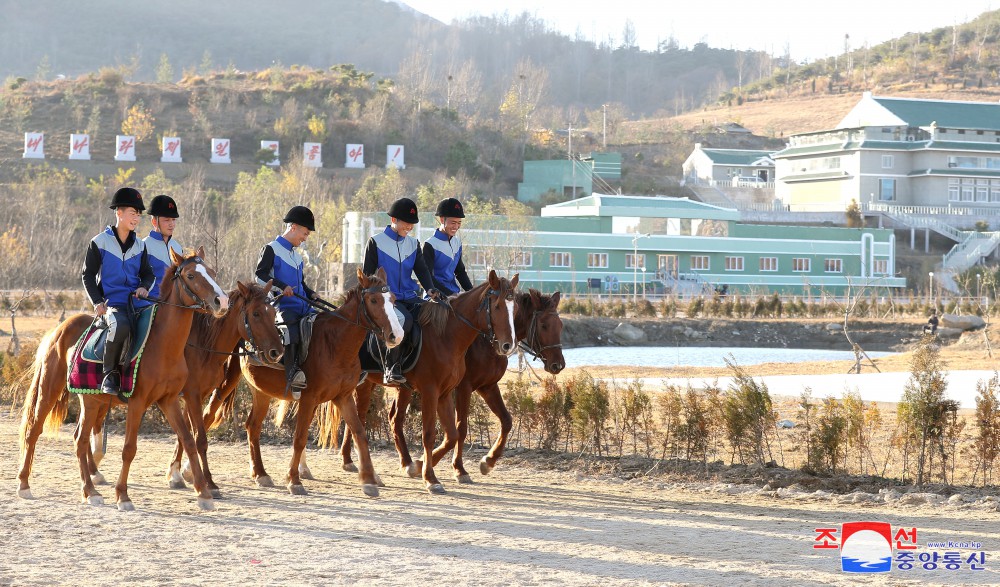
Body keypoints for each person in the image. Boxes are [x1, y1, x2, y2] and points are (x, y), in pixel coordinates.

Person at [81, 187, 155, 397]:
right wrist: (97, 302)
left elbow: (148, 275)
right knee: (121, 324)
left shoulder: (140, 246)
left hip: (137, 303)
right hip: (112, 304)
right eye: (133, 213)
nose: (137, 218)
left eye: (139, 214)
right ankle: (109, 374)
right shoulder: (99, 242)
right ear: (119, 213)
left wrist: (143, 287)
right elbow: (87, 275)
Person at [362, 197, 440, 384]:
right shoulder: (375, 242)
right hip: (387, 301)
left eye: (412, 223)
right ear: (393, 220)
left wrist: (430, 288)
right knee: (403, 319)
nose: (409, 227)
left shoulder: (413, 244)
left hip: (410, 296)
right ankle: (391, 367)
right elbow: (367, 275)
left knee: (436, 315)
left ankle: (427, 366)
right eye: (406, 223)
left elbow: (422, 270)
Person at [255, 205, 319, 399]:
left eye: (307, 234)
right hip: (280, 306)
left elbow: (301, 283)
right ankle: (293, 375)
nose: (305, 237)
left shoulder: (298, 257)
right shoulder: (271, 249)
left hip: (304, 306)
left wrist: (311, 293)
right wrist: (282, 287)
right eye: (305, 233)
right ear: (293, 227)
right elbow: (260, 276)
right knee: (291, 331)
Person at [422, 197, 473, 296]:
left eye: (459, 223)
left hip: (454, 294)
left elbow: (460, 272)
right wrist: (450, 294)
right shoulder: (430, 244)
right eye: (453, 222)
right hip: (435, 296)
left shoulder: (457, 242)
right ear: (442, 219)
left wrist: (472, 292)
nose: (456, 227)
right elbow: (428, 278)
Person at [143, 194, 183, 300]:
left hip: (175, 305)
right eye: (167, 220)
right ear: (154, 222)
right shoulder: (143, 246)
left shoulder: (178, 247)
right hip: (150, 304)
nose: (172, 224)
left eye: (173, 220)